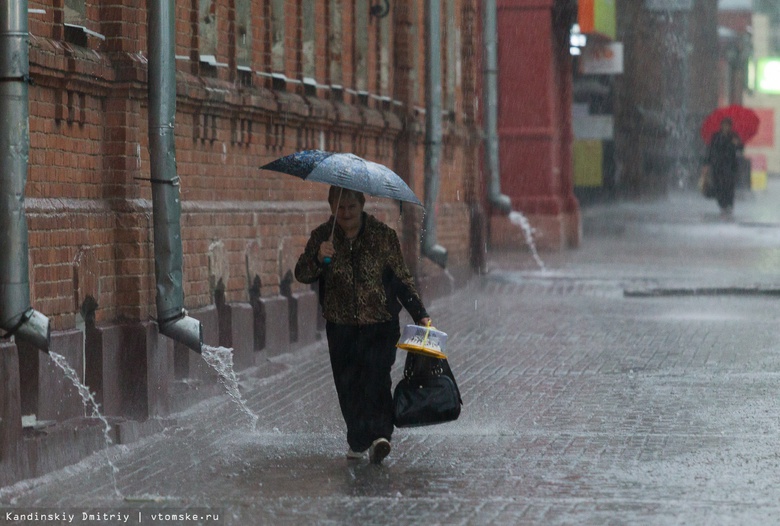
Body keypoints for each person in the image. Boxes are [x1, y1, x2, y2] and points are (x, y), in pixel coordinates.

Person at [295, 186, 430, 464]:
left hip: (380, 322)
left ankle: (381, 437)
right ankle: (357, 439)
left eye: (351, 207)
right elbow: (302, 274)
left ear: (362, 204)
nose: (346, 213)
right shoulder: (323, 236)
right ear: (331, 206)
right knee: (348, 385)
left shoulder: (383, 236)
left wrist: (420, 314)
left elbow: (401, 279)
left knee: (376, 379)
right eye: (340, 207)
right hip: (340, 324)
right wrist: (319, 258)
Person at [705, 117, 743, 218]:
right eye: (724, 125)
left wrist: (737, 143)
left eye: (728, 125)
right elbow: (711, 150)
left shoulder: (734, 136)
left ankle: (729, 204)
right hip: (718, 165)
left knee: (729, 186)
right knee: (719, 185)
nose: (726, 127)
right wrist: (707, 164)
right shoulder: (716, 136)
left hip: (730, 165)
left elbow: (740, 148)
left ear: (730, 126)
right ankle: (722, 204)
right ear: (721, 126)